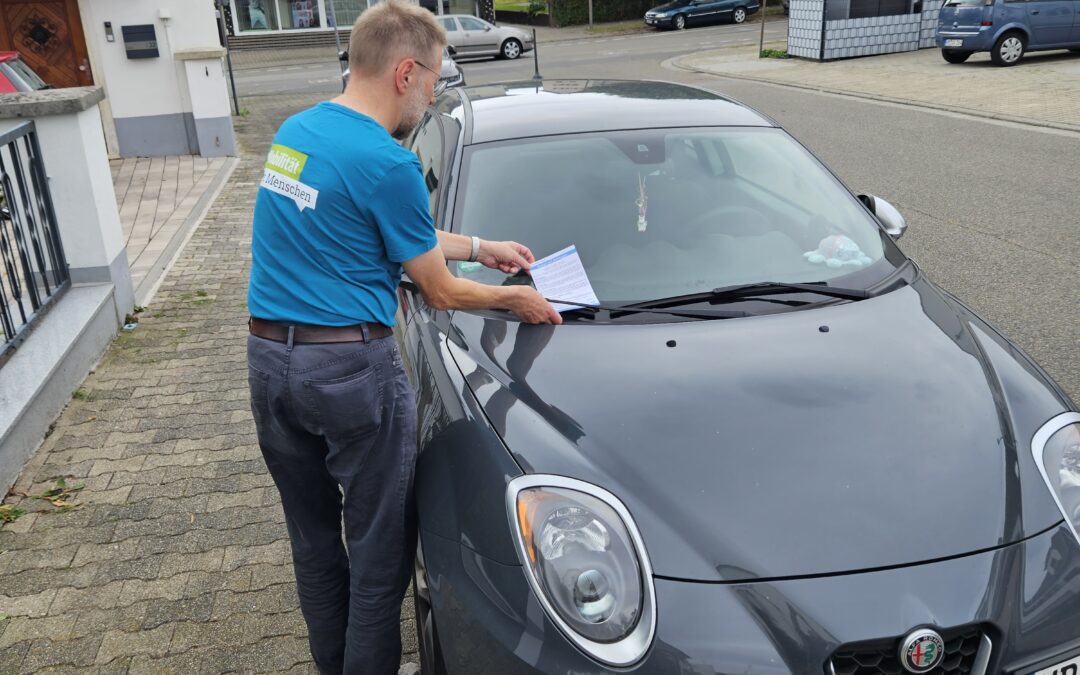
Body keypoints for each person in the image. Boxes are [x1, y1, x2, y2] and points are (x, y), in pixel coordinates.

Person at [245, 2, 561, 673]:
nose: (432, 94)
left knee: (313, 543)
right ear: (405, 71)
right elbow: (440, 289)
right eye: (434, 79)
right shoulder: (388, 161)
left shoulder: (296, 136)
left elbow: (388, 226)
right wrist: (515, 296)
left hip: (270, 364)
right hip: (349, 373)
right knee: (380, 551)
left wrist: (483, 244)